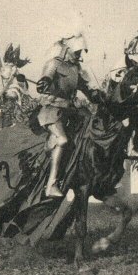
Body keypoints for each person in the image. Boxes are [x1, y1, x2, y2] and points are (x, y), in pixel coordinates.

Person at [36, 33, 101, 197]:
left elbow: (87, 90)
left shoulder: (75, 69)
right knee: (63, 140)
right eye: (77, 52)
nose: (79, 56)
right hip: (52, 111)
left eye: (80, 53)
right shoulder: (54, 64)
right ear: (68, 49)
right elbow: (45, 78)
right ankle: (51, 184)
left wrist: (97, 96)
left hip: (70, 111)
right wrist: (44, 83)